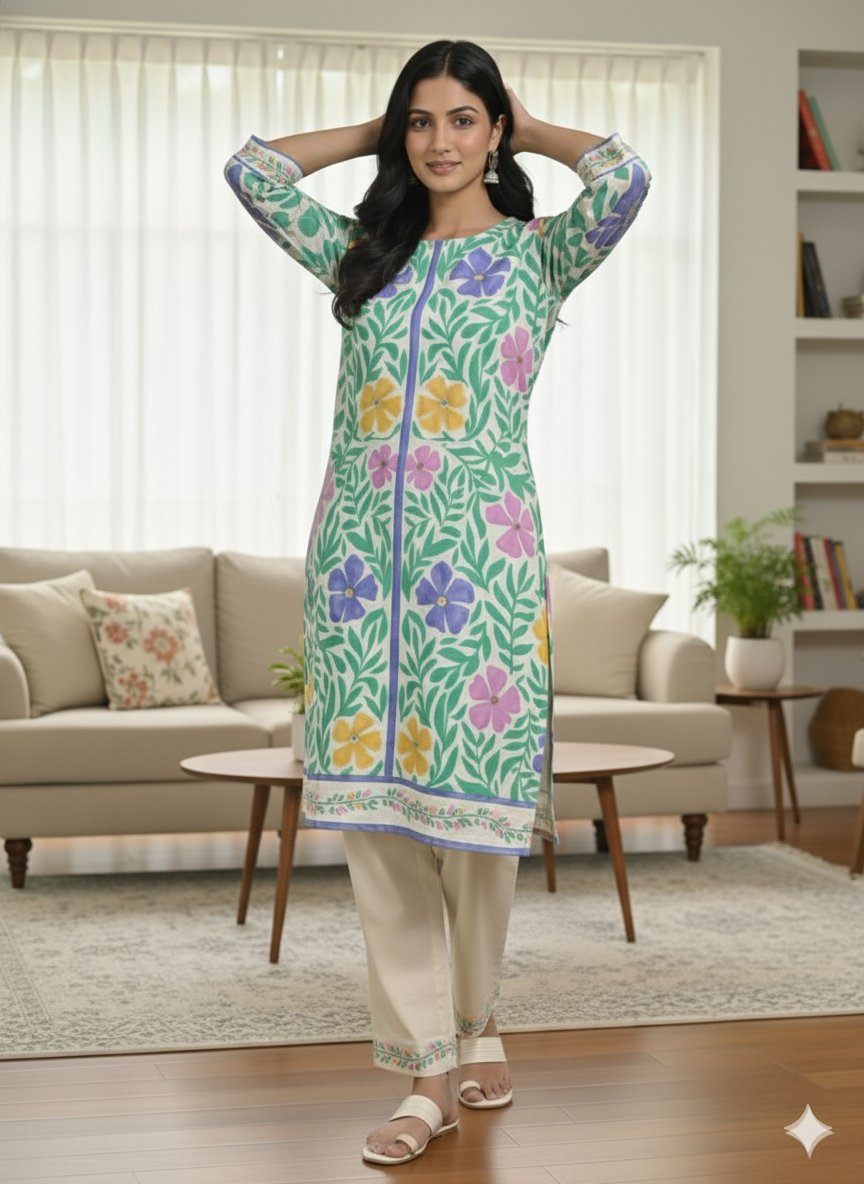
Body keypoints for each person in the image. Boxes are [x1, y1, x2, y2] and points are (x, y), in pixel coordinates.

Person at [225, 38, 650, 1166]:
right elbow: (253, 172)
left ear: (494, 128)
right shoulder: (365, 254)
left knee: (475, 828)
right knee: (377, 827)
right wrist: (379, 134)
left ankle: (477, 1019)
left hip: (484, 581)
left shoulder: (537, 257)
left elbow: (625, 178)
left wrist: (528, 125)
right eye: (422, 121)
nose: (441, 140)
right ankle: (425, 1075)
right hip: (359, 578)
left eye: (464, 119)